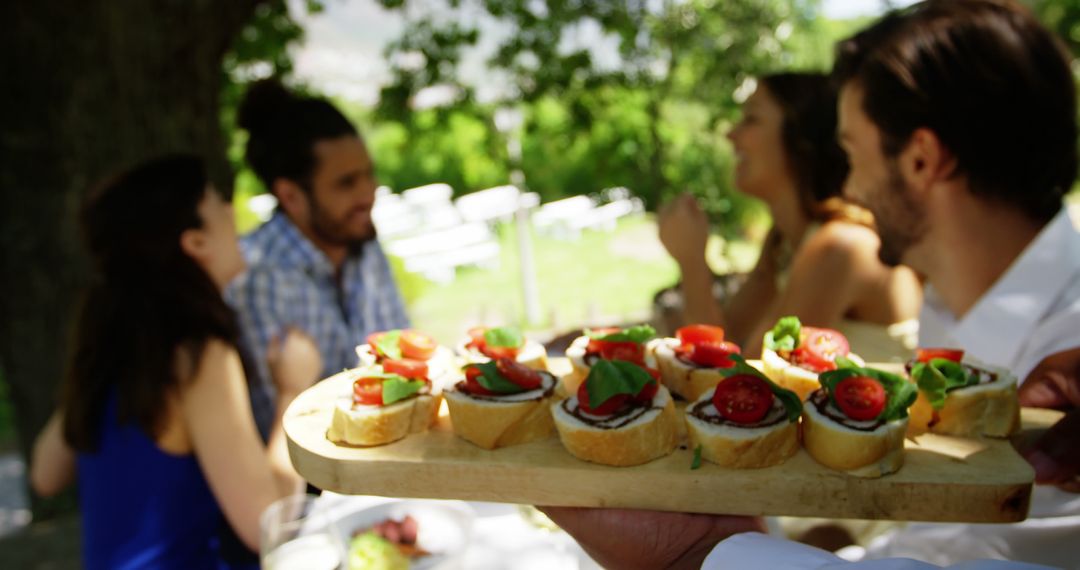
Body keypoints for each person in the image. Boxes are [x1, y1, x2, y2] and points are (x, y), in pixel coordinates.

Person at [542, 0, 1080, 567]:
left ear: (922, 160)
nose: (846, 184)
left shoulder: (1065, 364)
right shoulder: (953, 304)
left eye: (850, 154)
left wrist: (692, 555)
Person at [29, 155, 319, 569]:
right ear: (195, 242)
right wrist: (293, 392)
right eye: (217, 199)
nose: (227, 209)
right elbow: (265, 524)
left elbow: (45, 474)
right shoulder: (197, 356)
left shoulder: (113, 350)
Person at [658, 73, 922, 360]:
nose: (730, 134)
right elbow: (728, 339)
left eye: (751, 119)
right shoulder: (782, 241)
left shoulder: (841, 247)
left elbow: (741, 381)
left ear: (800, 137)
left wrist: (692, 262)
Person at [227, 80, 410, 438]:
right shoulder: (255, 275)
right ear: (291, 195)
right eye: (346, 183)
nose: (367, 195)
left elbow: (406, 360)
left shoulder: (360, 241)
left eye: (369, 175)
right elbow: (284, 425)